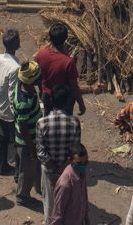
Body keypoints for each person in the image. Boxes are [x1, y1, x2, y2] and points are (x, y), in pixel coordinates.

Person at [38, 86, 83, 225]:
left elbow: (41, 152)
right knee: (68, 205)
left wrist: (54, 170)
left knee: (50, 206)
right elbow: (75, 151)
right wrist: (61, 169)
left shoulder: (42, 122)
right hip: (67, 172)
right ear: (66, 103)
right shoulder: (74, 122)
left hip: (49, 171)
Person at [35, 23, 87, 115]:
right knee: (65, 121)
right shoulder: (68, 62)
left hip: (47, 95)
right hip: (64, 99)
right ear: (65, 39)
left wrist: (41, 90)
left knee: (48, 119)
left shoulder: (41, 55)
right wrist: (81, 104)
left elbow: (38, 76)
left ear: (50, 38)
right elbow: (74, 86)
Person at [0, 28, 22, 175]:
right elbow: (13, 95)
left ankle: (1, 166)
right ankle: (17, 171)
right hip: (9, 112)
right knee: (17, 141)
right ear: (17, 44)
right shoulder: (16, 68)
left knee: (1, 139)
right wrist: (17, 114)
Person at [13, 61, 43, 206]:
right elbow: (23, 127)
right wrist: (31, 148)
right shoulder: (24, 102)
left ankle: (39, 187)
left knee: (33, 166)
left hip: (31, 138)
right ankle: (22, 196)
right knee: (27, 170)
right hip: (27, 142)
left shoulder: (22, 85)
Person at [50, 144, 90, 225]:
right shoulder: (65, 184)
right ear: (70, 161)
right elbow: (58, 213)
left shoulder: (81, 173)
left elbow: (84, 197)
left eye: (86, 162)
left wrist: (86, 218)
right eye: (79, 163)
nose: (83, 165)